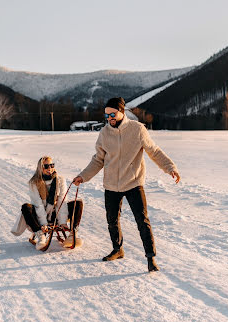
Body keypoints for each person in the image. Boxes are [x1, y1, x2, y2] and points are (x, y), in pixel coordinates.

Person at [72, 97, 180, 272]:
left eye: (113, 114)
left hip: (133, 182)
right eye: (106, 115)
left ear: (122, 112)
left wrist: (170, 168)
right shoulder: (104, 133)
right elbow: (98, 160)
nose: (109, 118)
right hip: (111, 185)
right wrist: (83, 176)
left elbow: (154, 151)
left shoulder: (137, 130)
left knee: (142, 221)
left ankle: (151, 258)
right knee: (112, 221)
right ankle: (118, 249)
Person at [12, 156, 83, 250]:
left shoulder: (60, 180)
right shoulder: (34, 182)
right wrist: (43, 224)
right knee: (26, 207)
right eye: (46, 166)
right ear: (40, 168)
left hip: (56, 215)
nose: (50, 168)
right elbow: (38, 204)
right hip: (41, 215)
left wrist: (62, 222)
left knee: (78, 203)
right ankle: (40, 235)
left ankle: (72, 234)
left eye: (51, 165)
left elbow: (62, 201)